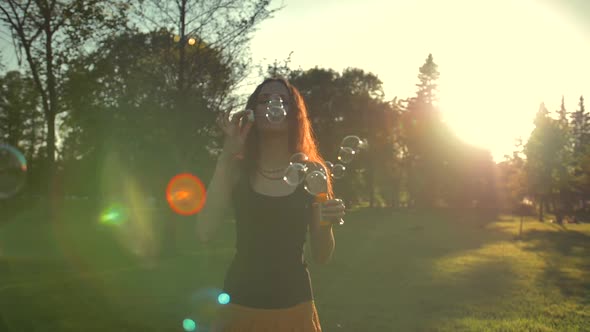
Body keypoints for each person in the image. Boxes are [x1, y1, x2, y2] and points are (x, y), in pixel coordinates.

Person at [197, 77, 346, 331]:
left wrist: (327, 223)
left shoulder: (313, 171)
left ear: (295, 114)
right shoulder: (236, 169)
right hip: (240, 302)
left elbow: (322, 255)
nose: (273, 105)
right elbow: (204, 231)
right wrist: (226, 153)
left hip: (294, 305)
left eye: (282, 100)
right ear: (252, 113)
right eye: (264, 100)